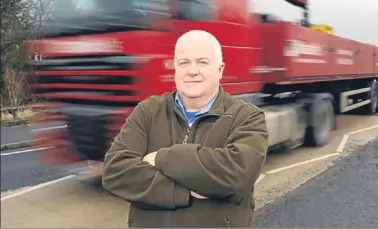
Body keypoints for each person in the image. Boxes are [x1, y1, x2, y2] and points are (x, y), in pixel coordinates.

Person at [102, 30, 269, 228]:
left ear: (220, 69)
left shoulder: (246, 117)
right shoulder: (148, 111)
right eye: (184, 63)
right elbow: (115, 172)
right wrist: (185, 191)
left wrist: (160, 158)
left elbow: (236, 175)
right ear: (174, 68)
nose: (192, 71)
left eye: (202, 62)